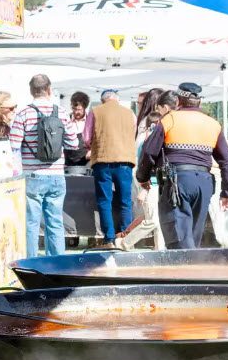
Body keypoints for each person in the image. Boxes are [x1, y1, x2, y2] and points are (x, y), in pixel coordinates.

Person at [136, 82, 228, 249]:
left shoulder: (169, 119)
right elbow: (227, 161)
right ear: (200, 102)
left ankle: (184, 270)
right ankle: (193, 269)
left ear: (179, 100)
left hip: (178, 182)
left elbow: (149, 152)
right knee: (193, 234)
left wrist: (143, 178)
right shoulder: (213, 124)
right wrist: (227, 192)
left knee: (178, 235)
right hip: (204, 183)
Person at [9, 74, 78, 257]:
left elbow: (13, 146)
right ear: (49, 89)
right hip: (56, 175)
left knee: (30, 223)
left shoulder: (23, 113)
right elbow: (73, 144)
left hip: (32, 176)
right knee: (55, 222)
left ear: (31, 91)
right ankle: (58, 265)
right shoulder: (61, 113)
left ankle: (30, 263)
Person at [119, 89, 178, 251]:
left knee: (152, 216)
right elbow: (148, 156)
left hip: (146, 177)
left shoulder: (146, 123)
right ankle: (125, 242)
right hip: (149, 179)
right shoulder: (154, 124)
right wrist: (145, 184)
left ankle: (159, 251)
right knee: (154, 219)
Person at [83, 88, 137, 247]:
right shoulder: (130, 113)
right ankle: (126, 239)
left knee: (104, 201)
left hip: (102, 160)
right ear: (117, 100)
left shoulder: (95, 111)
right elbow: (131, 135)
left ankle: (109, 238)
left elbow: (86, 138)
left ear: (102, 101)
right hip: (125, 162)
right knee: (125, 201)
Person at [64, 91, 90, 167]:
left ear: (85, 107)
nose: (76, 112)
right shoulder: (66, 120)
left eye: (79, 109)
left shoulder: (91, 121)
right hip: (68, 161)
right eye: (74, 109)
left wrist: (92, 151)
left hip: (86, 161)